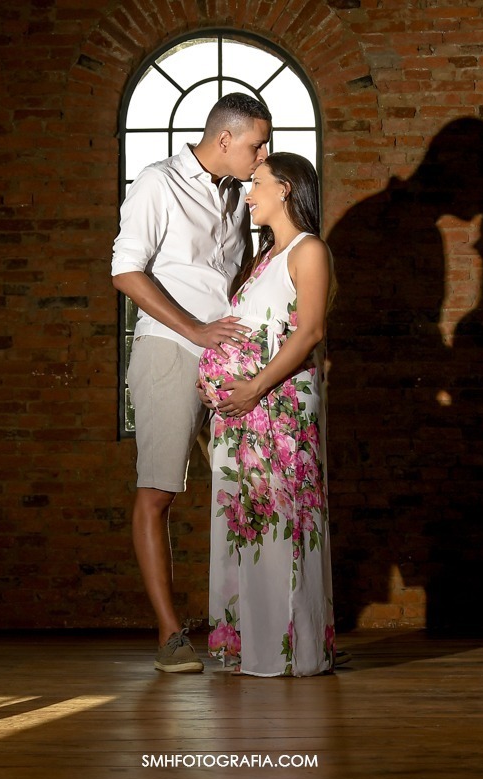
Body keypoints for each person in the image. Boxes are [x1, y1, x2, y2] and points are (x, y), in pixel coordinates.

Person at [111, 93, 271, 673]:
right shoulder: (159, 182)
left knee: (248, 489)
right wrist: (197, 330)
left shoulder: (236, 194)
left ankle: (263, 625)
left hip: (225, 360)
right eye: (256, 143)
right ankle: (170, 637)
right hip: (169, 349)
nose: (263, 155)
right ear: (225, 139)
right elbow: (125, 270)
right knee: (159, 491)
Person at [197, 152, 336, 676]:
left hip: (277, 406)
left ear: (285, 188)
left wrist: (253, 386)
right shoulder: (262, 259)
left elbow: (311, 331)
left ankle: (290, 653)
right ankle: (249, 647)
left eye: (256, 183)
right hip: (245, 414)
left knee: (282, 525)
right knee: (247, 527)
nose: (248, 194)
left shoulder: (309, 250)